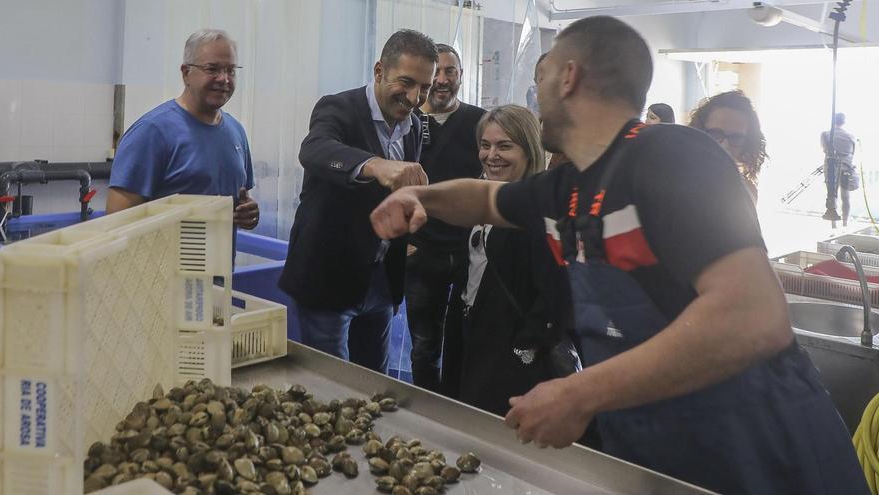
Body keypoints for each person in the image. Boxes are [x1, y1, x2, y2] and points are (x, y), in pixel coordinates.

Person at [371, 16, 867, 494]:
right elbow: (483, 199)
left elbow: (752, 316)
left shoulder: (674, 156)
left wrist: (579, 394)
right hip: (656, 449)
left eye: (540, 77)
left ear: (568, 77)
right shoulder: (567, 186)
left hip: (758, 453)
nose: (535, 94)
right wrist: (420, 198)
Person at [278, 30, 436, 374]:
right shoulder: (338, 107)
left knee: (372, 385)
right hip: (329, 279)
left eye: (424, 88)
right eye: (406, 82)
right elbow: (315, 149)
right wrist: (376, 165)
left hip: (381, 280)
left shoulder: (416, 123)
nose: (413, 97)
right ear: (380, 71)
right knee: (332, 387)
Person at [450, 104, 565, 416]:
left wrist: (523, 348)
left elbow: (554, 293)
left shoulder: (540, 211)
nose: (492, 155)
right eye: (485, 146)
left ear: (529, 150)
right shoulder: (479, 197)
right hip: (474, 333)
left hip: (510, 354)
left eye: (504, 146)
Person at [107, 29, 258, 230]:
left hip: (220, 261)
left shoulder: (236, 131)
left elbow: (240, 198)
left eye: (231, 70)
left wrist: (248, 212)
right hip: (163, 261)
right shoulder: (152, 132)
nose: (224, 79)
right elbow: (117, 223)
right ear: (186, 73)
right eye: (212, 69)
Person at [407, 44, 485, 393]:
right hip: (422, 253)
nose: (441, 80)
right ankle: (427, 413)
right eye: (435, 73)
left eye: (449, 72)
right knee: (424, 345)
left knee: (466, 338)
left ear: (461, 76)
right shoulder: (406, 122)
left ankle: (459, 408)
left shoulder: (479, 122)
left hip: (470, 252)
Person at [689, 90, 766, 202]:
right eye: (715, 134)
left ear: (747, 144)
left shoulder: (748, 192)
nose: (724, 146)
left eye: (736, 137)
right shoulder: (677, 182)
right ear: (699, 132)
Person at [821, 112, 857, 226]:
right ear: (844, 121)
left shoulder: (826, 134)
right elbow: (852, 153)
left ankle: (833, 225)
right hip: (846, 169)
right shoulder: (851, 136)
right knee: (845, 197)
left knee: (832, 195)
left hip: (831, 169)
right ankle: (845, 224)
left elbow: (825, 150)